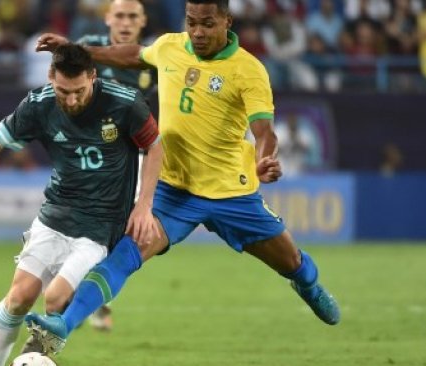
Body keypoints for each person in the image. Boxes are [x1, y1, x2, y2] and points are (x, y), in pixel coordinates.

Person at [25, 0, 341, 355]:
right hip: (173, 192)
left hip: (231, 194)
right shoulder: (171, 46)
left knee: (292, 263)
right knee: (125, 254)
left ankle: (310, 287)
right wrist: (79, 51)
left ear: (226, 21)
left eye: (207, 23)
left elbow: (264, 130)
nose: (198, 31)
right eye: (192, 22)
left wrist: (265, 159)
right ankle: (62, 326)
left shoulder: (248, 70)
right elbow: (134, 55)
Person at [0, 44, 163, 366]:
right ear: (51, 77)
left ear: (92, 76)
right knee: (19, 299)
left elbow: (156, 147)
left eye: (78, 91)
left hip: (101, 226)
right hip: (56, 215)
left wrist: (143, 205)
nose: (72, 100)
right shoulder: (39, 105)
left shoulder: (125, 103)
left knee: (56, 298)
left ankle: (32, 356)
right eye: (64, 91)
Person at [76, 0, 156, 331]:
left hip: (131, 159)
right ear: (107, 18)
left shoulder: (152, 60)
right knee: (79, 230)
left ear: (143, 22)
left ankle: (92, 300)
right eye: (119, 16)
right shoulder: (88, 50)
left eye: (132, 17)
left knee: (119, 234)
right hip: (89, 157)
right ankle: (80, 297)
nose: (125, 23)